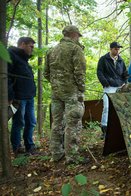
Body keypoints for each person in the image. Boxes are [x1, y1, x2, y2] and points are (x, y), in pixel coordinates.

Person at [44, 25, 87, 164]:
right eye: (78, 35)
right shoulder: (75, 49)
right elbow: (79, 72)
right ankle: (72, 157)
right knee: (73, 123)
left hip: (56, 92)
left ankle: (56, 153)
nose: (78, 38)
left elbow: (46, 73)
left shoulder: (51, 51)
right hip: (72, 93)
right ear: (74, 34)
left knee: (57, 123)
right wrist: (81, 88)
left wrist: (57, 83)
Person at [8, 37, 37, 156]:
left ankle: (30, 146)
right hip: (18, 97)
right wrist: (9, 96)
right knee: (19, 123)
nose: (32, 49)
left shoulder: (24, 59)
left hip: (29, 96)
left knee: (31, 122)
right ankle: (17, 148)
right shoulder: (11, 55)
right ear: (22, 44)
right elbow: (6, 78)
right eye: (31, 46)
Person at [97, 41, 128, 139]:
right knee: (107, 108)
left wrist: (125, 83)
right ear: (111, 49)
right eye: (116, 49)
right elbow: (99, 72)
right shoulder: (103, 59)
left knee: (119, 109)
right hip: (109, 87)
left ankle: (118, 130)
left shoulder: (121, 60)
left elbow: (125, 73)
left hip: (119, 87)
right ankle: (104, 130)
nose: (117, 50)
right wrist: (105, 83)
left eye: (118, 49)